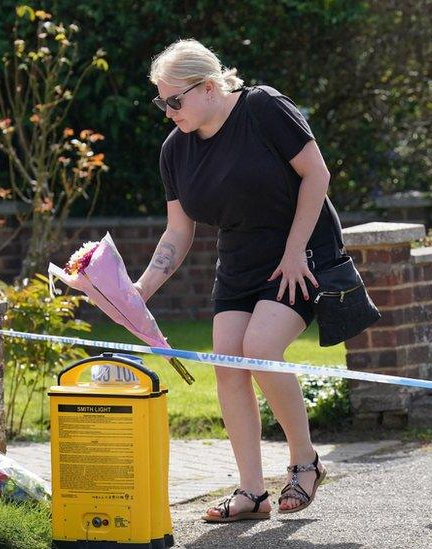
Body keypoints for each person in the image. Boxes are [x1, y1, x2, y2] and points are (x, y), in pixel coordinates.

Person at [136, 39, 340, 522]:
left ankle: (305, 463)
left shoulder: (262, 107)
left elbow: (317, 175)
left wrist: (294, 252)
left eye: (174, 100)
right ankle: (252, 492)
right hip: (240, 265)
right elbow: (178, 231)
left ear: (208, 87)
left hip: (301, 252)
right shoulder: (175, 150)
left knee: (260, 349)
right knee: (228, 365)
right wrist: (138, 292)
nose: (167, 112)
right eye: (160, 102)